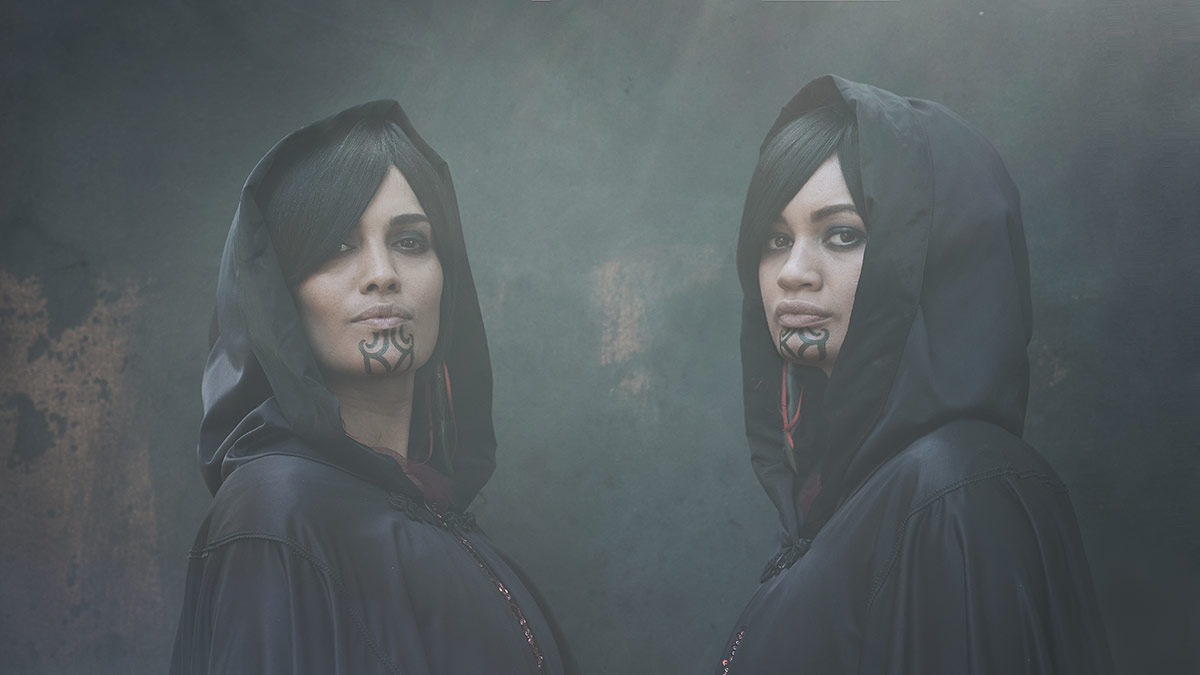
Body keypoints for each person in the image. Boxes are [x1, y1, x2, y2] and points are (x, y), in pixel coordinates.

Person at [713, 75, 1114, 673]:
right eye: (775, 238)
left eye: (842, 234)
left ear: (934, 257)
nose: (793, 271)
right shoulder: (850, 492)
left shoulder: (959, 494)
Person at [170, 101, 576, 674]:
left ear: (447, 277)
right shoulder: (274, 513)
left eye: (410, 242)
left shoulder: (440, 515)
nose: (381, 273)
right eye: (337, 245)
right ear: (279, 294)